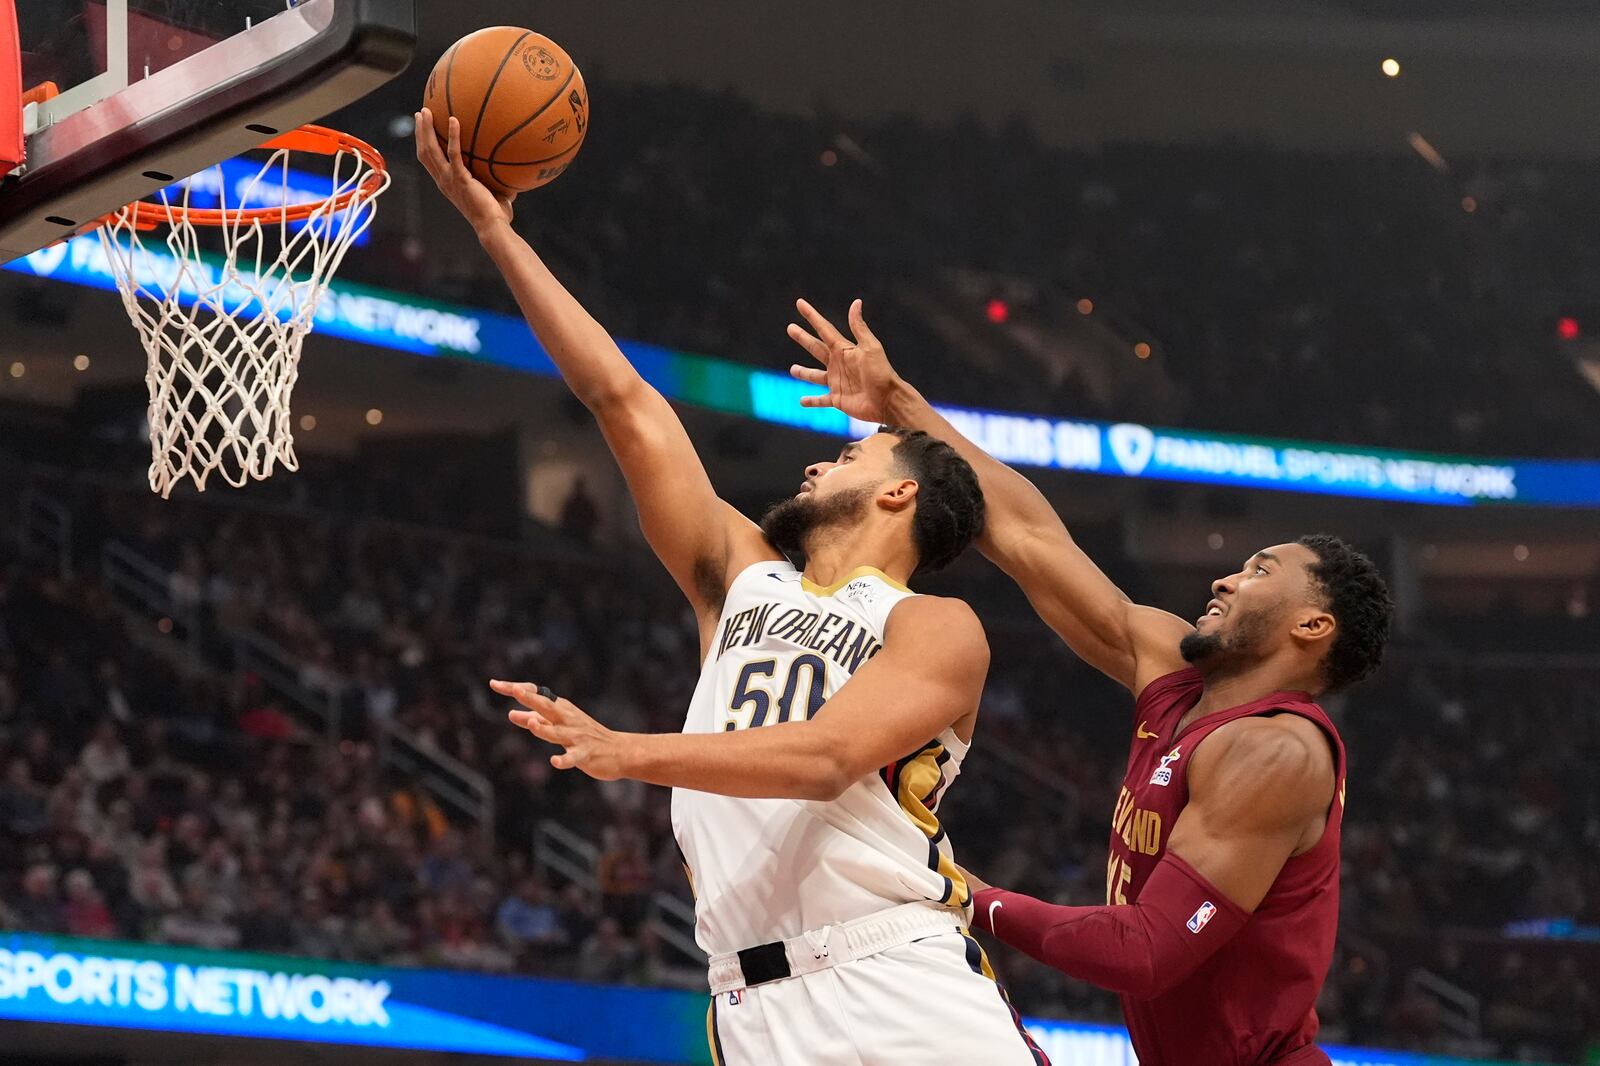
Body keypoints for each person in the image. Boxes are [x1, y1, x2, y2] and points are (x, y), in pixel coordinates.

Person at [416, 111, 1047, 1066]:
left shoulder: (936, 626)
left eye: (846, 452)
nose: (813, 468)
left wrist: (629, 751)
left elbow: (829, 756)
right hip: (746, 1006)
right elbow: (622, 400)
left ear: (898, 489)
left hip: (892, 982)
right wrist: (496, 231)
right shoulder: (742, 574)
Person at [786, 299, 1396, 1066]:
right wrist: (901, 407)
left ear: (1312, 627)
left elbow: (1147, 951)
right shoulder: (1173, 668)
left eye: (1259, 571)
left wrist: (973, 898)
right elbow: (1028, 537)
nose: (1226, 577)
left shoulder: (1278, 754)